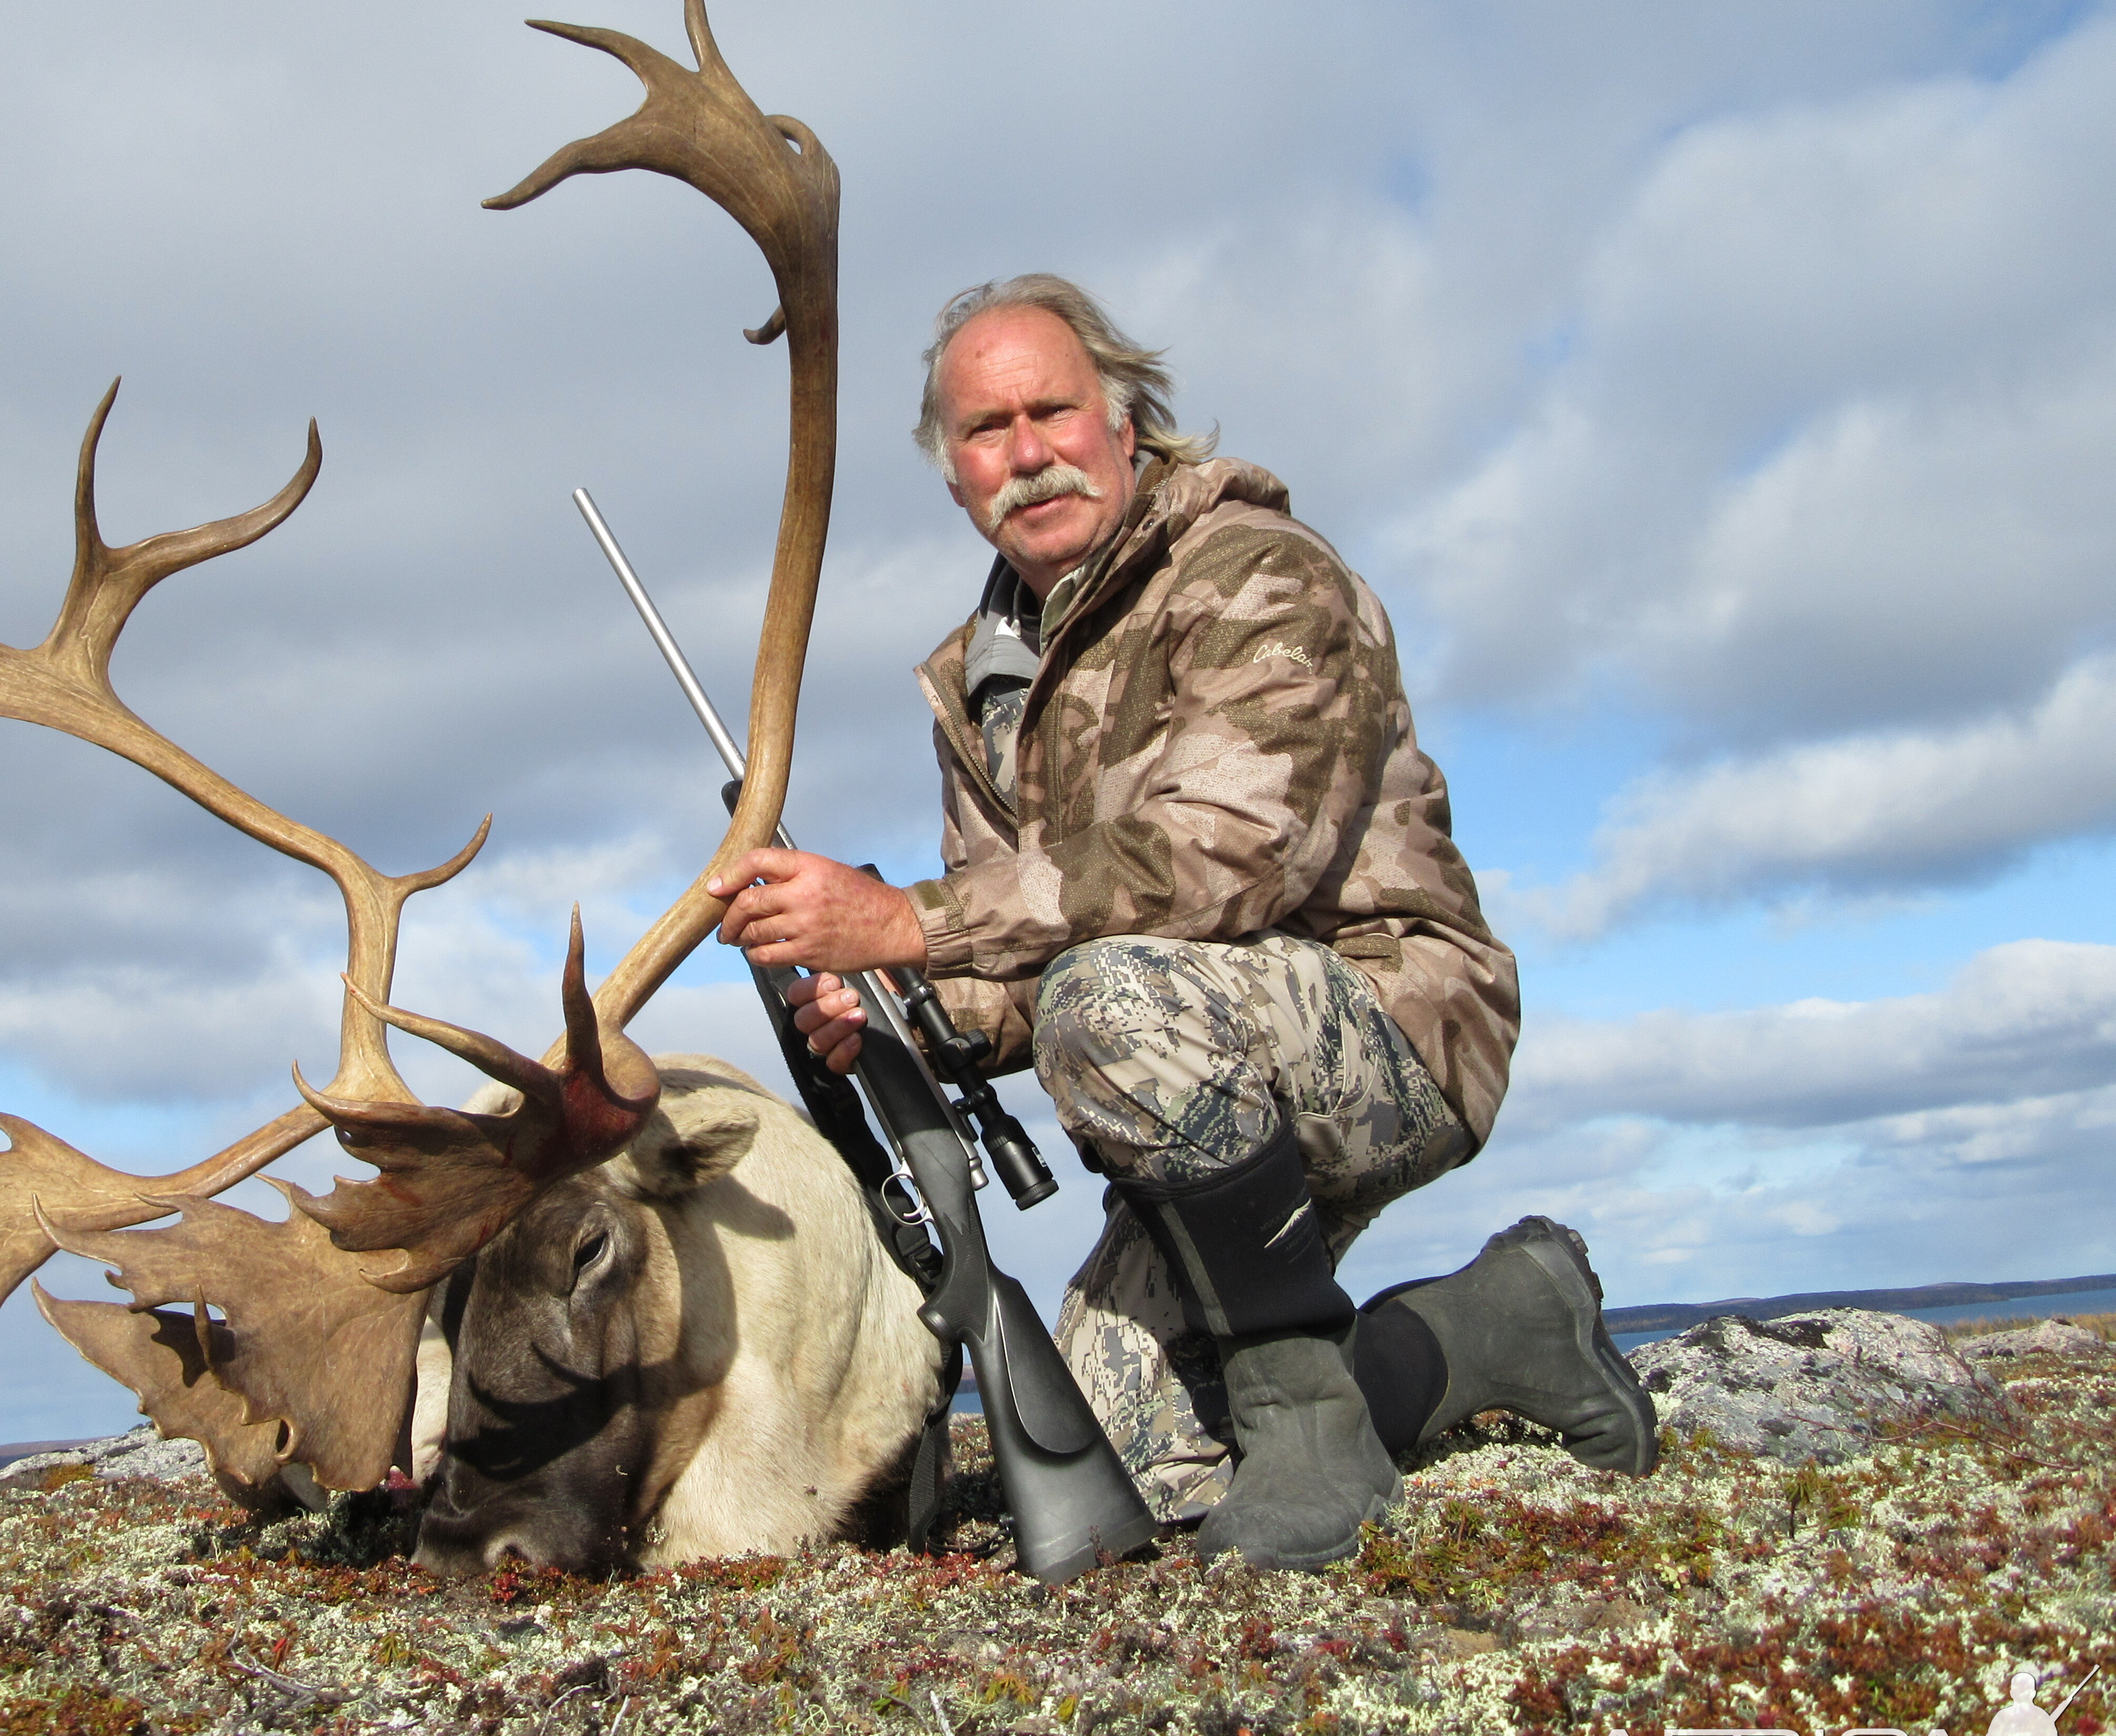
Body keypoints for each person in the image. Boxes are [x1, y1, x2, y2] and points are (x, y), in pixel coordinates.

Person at [707, 274, 1654, 1570]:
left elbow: (1224, 860)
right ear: (953, 478)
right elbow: (1021, 977)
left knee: (1115, 997)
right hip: (1183, 1071)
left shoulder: (1264, 576)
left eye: (1053, 410)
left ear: (1127, 416)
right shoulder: (980, 687)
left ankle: (1313, 1433)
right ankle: (1502, 1325)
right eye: (988, 431)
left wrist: (909, 925)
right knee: (1129, 1454)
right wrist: (901, 1026)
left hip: (1394, 1020)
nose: (1029, 453)